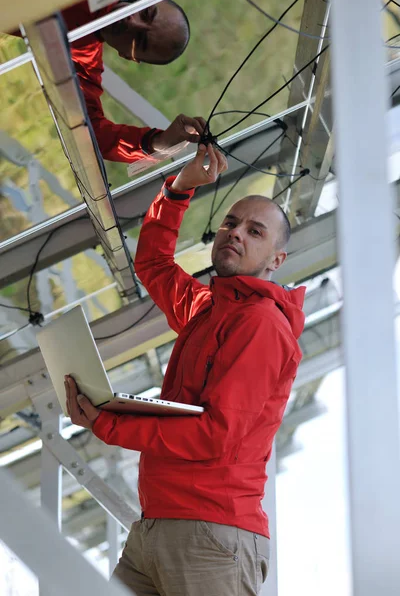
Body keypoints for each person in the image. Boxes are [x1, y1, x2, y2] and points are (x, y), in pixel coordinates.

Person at [65, 144, 306, 596]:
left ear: (276, 261)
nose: (235, 234)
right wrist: (179, 189)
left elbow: (214, 434)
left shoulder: (261, 325)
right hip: (158, 528)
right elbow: (153, 263)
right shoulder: (207, 310)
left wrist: (111, 424)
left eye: (255, 232)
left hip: (210, 536)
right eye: (231, 224)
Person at [14, 0, 205, 163]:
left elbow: (91, 132)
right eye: (146, 12)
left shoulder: (82, 57)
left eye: (139, 40)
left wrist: (157, 142)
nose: (133, 21)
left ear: (128, 56)